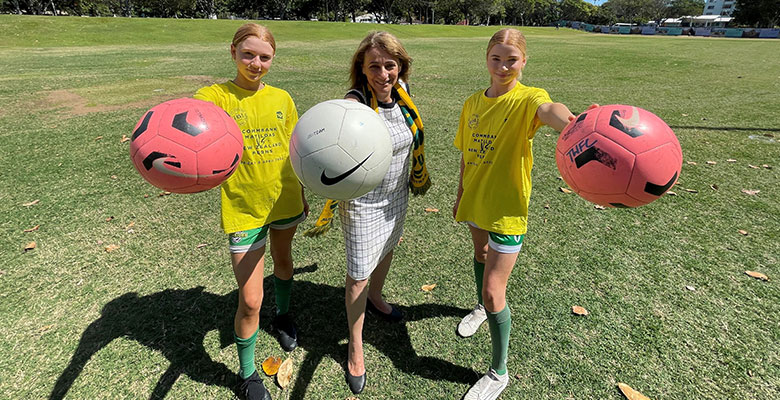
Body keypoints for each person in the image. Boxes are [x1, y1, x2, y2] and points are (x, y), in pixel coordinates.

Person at [452, 28, 590, 400]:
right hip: (476, 201)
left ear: (524, 61)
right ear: (486, 58)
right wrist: (461, 194)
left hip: (509, 210)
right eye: (496, 58)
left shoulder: (528, 99)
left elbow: (550, 111)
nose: (502, 66)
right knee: (479, 256)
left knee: (496, 290)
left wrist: (574, 122)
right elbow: (466, 155)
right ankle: (480, 308)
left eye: (511, 59)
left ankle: (498, 373)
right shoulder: (472, 103)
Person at [305, 30, 431, 395]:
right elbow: (333, 141)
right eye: (374, 65)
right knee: (358, 274)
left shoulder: (404, 93)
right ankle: (356, 346)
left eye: (390, 65)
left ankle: (376, 298)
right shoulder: (354, 102)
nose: (383, 74)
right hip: (362, 203)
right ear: (361, 68)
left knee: (388, 248)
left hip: (395, 195)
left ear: (400, 66)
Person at [194, 23, 308, 400]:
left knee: (285, 263)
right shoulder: (216, 96)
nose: (255, 63)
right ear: (232, 53)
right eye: (248, 54)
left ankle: (284, 316)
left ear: (273, 58)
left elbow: (296, 151)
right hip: (244, 209)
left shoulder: (283, 99)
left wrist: (304, 192)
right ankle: (247, 375)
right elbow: (191, 121)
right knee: (251, 299)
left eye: (264, 57)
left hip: (285, 199)